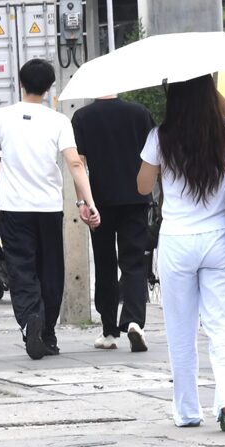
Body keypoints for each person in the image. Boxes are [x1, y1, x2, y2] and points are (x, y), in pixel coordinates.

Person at [136, 75, 225, 432]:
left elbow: (142, 186)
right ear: (208, 93)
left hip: (178, 241)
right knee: (224, 326)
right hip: (221, 239)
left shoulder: (160, 137)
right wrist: (207, 85)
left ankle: (187, 411)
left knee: (180, 331)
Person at [0, 58, 100, 360]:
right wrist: (89, 202)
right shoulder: (59, 120)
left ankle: (29, 321)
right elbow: (75, 163)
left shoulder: (0, 117)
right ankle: (47, 333)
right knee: (51, 271)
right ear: (49, 88)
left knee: (22, 270)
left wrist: (3, 168)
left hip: (14, 209)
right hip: (49, 208)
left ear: (20, 83)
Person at [72, 95, 155, 352]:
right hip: (135, 197)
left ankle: (109, 330)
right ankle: (134, 321)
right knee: (133, 261)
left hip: (100, 200)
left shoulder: (82, 117)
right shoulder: (139, 112)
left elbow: (79, 164)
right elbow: (153, 156)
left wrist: (82, 202)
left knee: (105, 262)